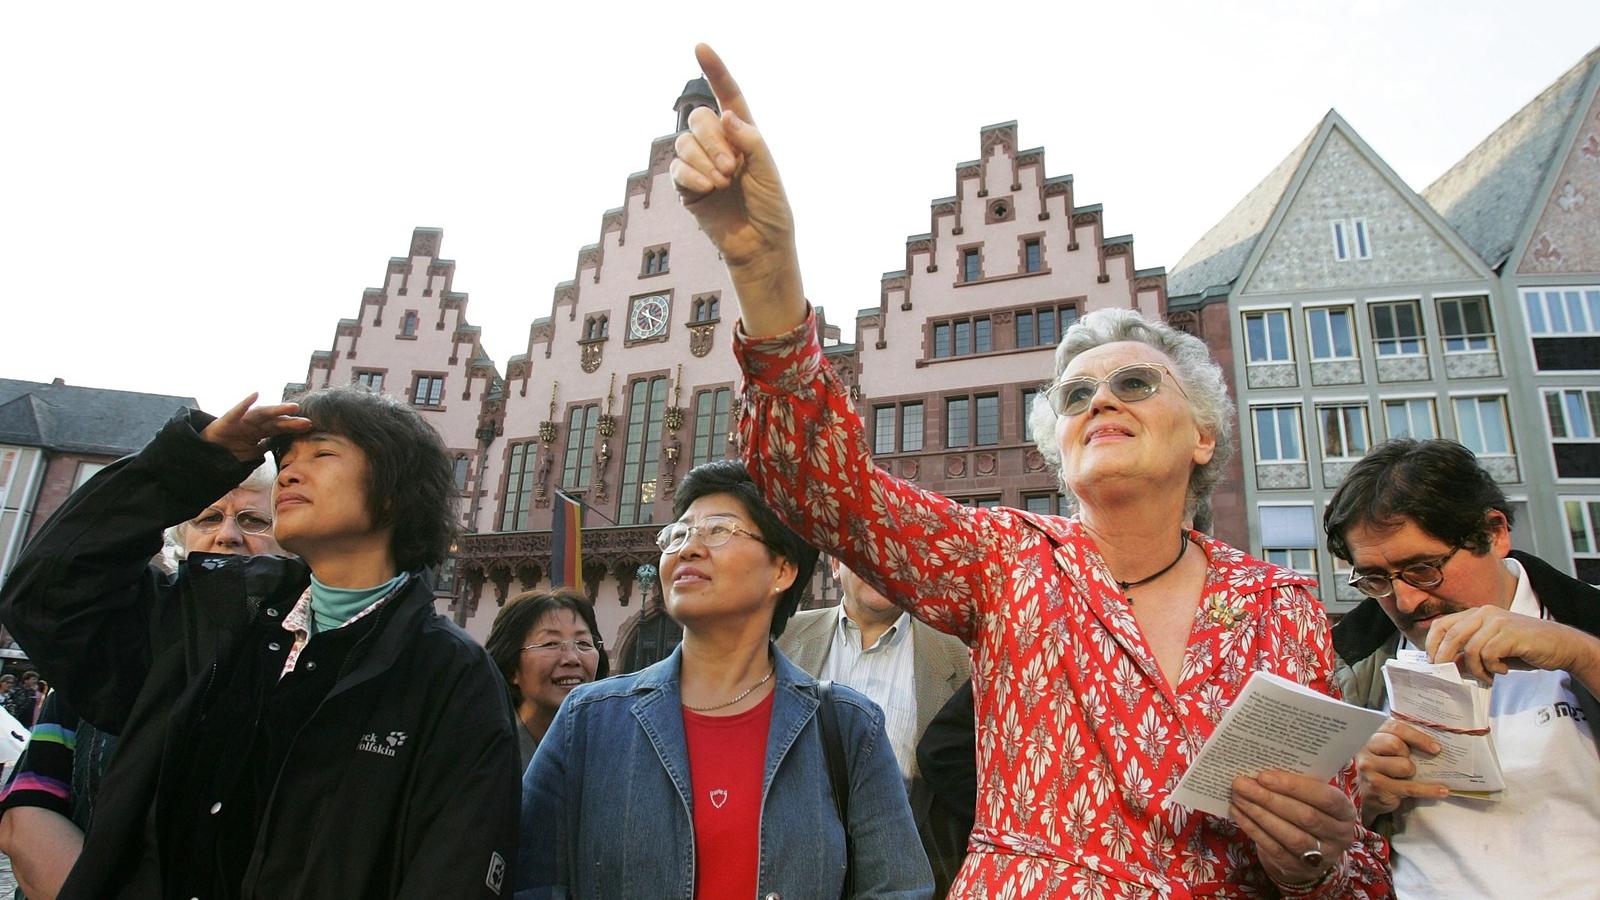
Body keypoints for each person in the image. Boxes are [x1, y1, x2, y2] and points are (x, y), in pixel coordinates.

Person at [670, 44, 1390, 897]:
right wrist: (763, 266)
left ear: (1202, 434)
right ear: (1060, 446)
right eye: (1076, 393)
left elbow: (1356, 868)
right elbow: (825, 491)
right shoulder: (1010, 559)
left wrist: (1317, 859)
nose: (1101, 400)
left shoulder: (1281, 611)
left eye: (1133, 383)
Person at [0, 387, 520, 898]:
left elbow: (454, 870)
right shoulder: (213, 617)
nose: (290, 472)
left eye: (322, 453)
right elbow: (47, 595)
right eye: (287, 457)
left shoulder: (450, 675)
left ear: (392, 493)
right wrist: (197, 458)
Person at [518, 459, 933, 899]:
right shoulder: (589, 721)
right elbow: (532, 882)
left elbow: (898, 889)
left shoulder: (849, 728)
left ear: (782, 570)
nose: (688, 548)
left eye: (718, 530)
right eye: (678, 533)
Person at [1324, 438, 1600, 897]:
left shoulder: (1584, 619)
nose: (1407, 600)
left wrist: (1580, 653)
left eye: (1423, 567)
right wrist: (1354, 796)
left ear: (1494, 533)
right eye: (1375, 579)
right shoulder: (1341, 661)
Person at [0, 462, 283, 900]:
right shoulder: (110, 650)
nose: (227, 534)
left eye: (253, 520)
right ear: (180, 539)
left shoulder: (298, 661)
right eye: (208, 518)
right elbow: (28, 811)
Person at [777, 556, 970, 893]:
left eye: (894, 553)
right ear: (835, 564)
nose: (881, 564)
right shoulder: (782, 639)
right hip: (793, 871)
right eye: (864, 550)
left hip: (913, 878)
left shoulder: (958, 655)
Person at [485, 589, 609, 770]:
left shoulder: (612, 753)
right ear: (512, 668)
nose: (572, 659)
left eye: (583, 643)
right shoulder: (486, 755)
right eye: (551, 644)